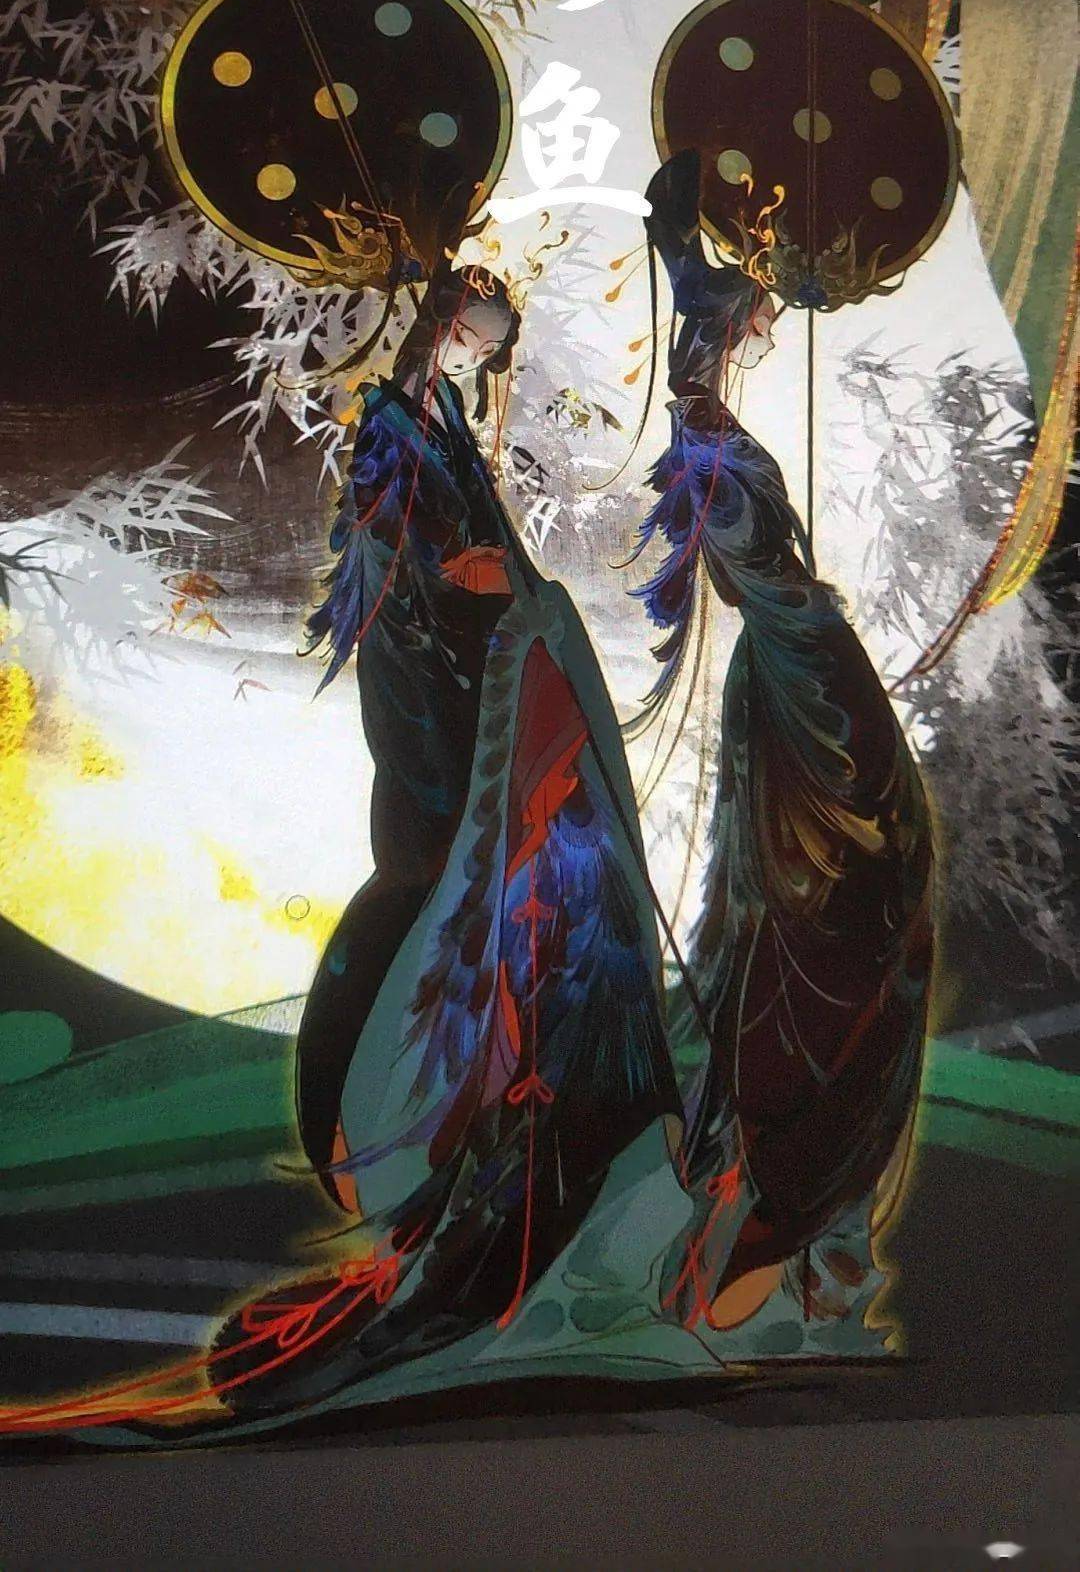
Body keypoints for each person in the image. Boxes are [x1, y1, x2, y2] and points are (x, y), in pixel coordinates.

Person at [209, 253, 681, 1419]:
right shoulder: (399, 422)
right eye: (473, 329)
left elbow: (457, 554)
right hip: (441, 696)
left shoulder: (441, 426)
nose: (480, 349)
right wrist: (463, 594)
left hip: (481, 681)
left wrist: (496, 598)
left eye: (489, 336)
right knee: (437, 869)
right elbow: (394, 561)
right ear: (446, 325)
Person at [629, 150, 934, 1339]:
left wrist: (686, 257)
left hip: (796, 663)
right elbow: (751, 563)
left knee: (858, 877)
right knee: (861, 872)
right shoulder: (706, 438)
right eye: (750, 313)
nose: (765, 325)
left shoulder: (708, 429)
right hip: (801, 662)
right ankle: (782, 1204)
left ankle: (792, 1220)